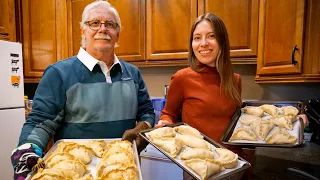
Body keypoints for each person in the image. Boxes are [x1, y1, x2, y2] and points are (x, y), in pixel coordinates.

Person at [10, 1, 154, 179]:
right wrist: (27, 152)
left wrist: (143, 126)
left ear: (118, 34)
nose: (102, 29)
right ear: (83, 31)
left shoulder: (133, 74)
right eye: (94, 23)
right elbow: (41, 122)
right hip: (74, 170)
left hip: (121, 169)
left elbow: (147, 111)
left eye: (110, 24)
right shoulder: (58, 73)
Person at [156, 13, 242, 179]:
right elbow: (169, 113)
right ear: (192, 44)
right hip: (198, 166)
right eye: (197, 38)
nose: (203, 44)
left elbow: (236, 122)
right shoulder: (182, 78)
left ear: (222, 41)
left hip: (233, 164)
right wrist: (165, 122)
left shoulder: (235, 80)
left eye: (211, 36)